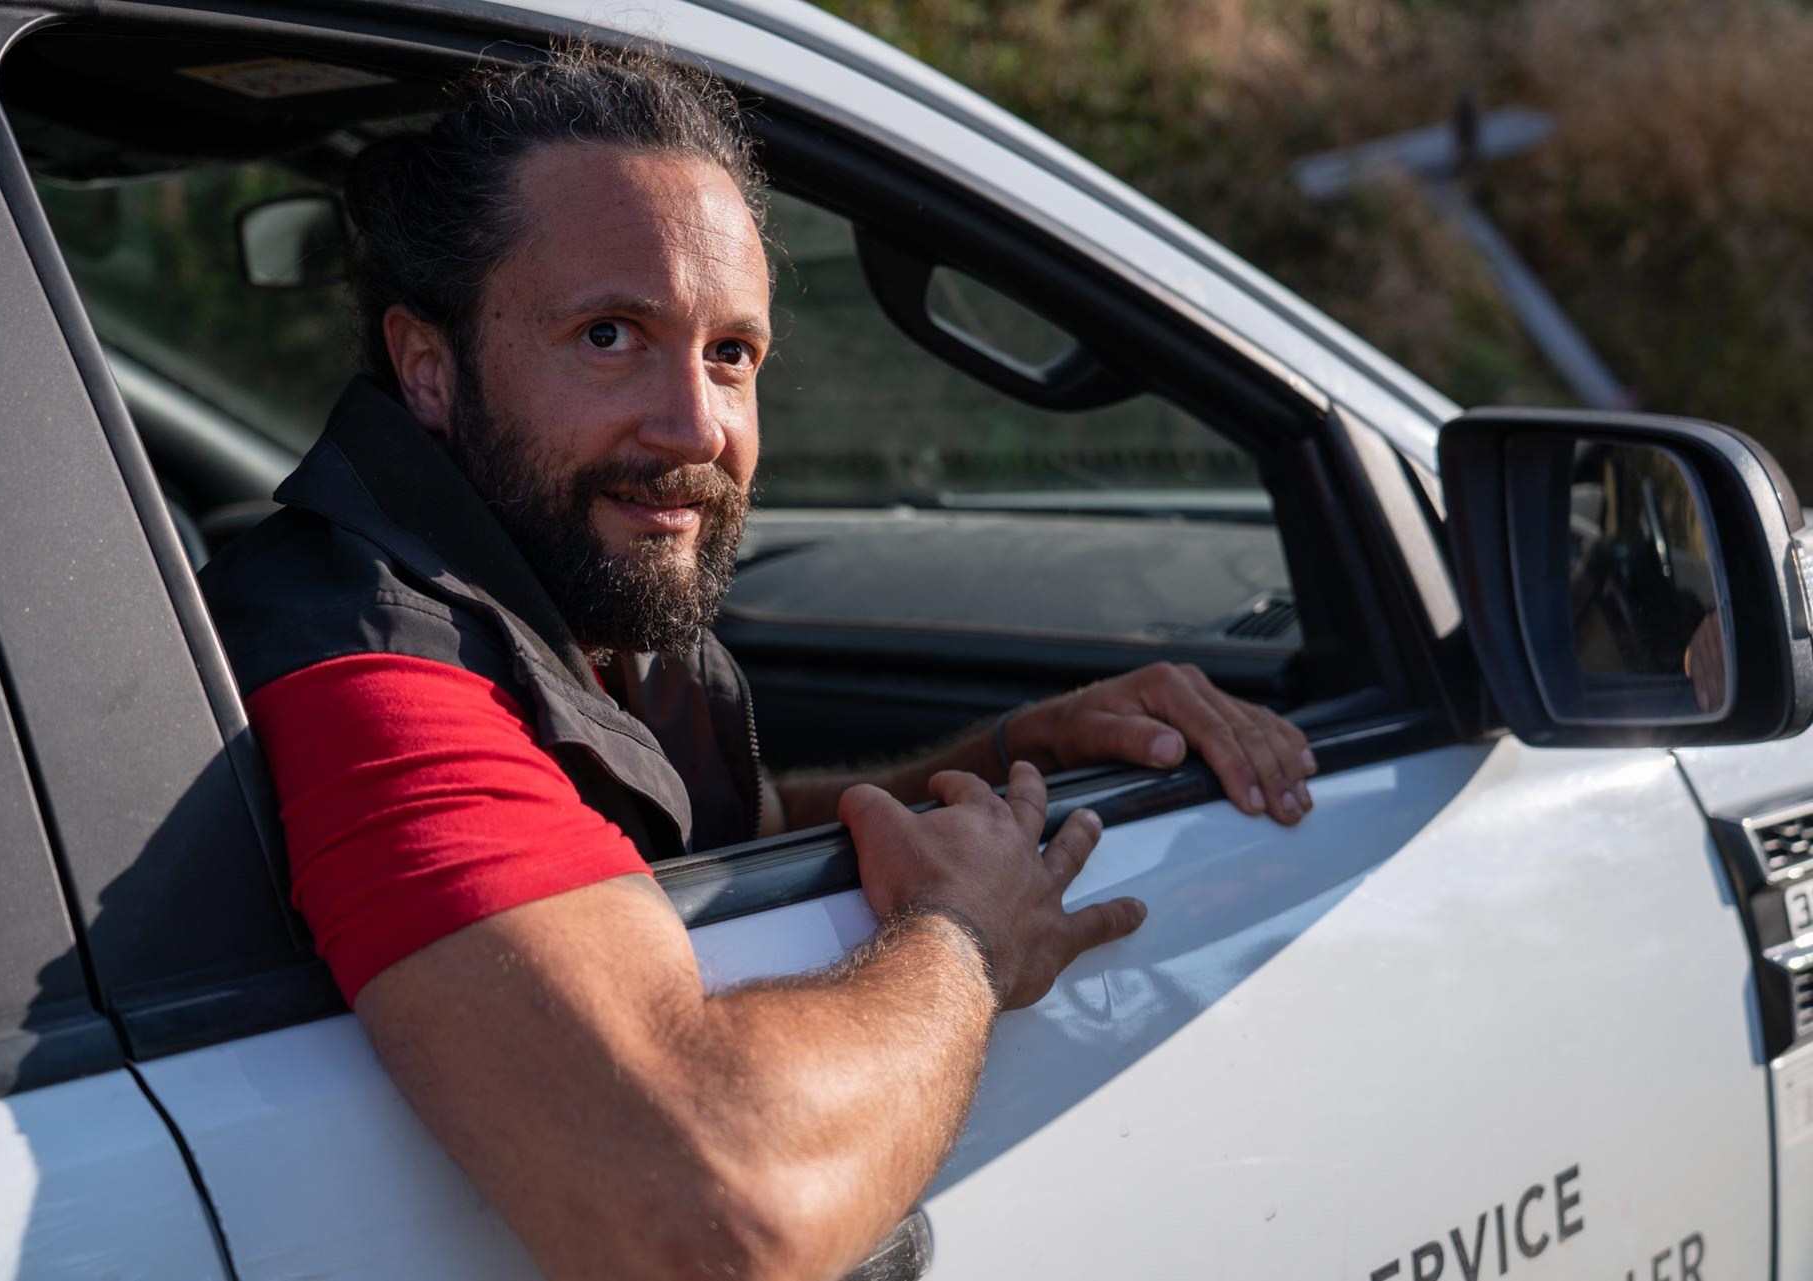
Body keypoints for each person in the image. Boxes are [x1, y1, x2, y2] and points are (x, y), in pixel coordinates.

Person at [200, 43, 1317, 1280]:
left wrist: (1012, 754)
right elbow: (715, 1216)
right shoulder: (372, 673)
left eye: (732, 353)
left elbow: (689, 837)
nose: (695, 428)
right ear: (429, 366)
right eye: (610, 334)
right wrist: (966, 942)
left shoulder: (573, 589)